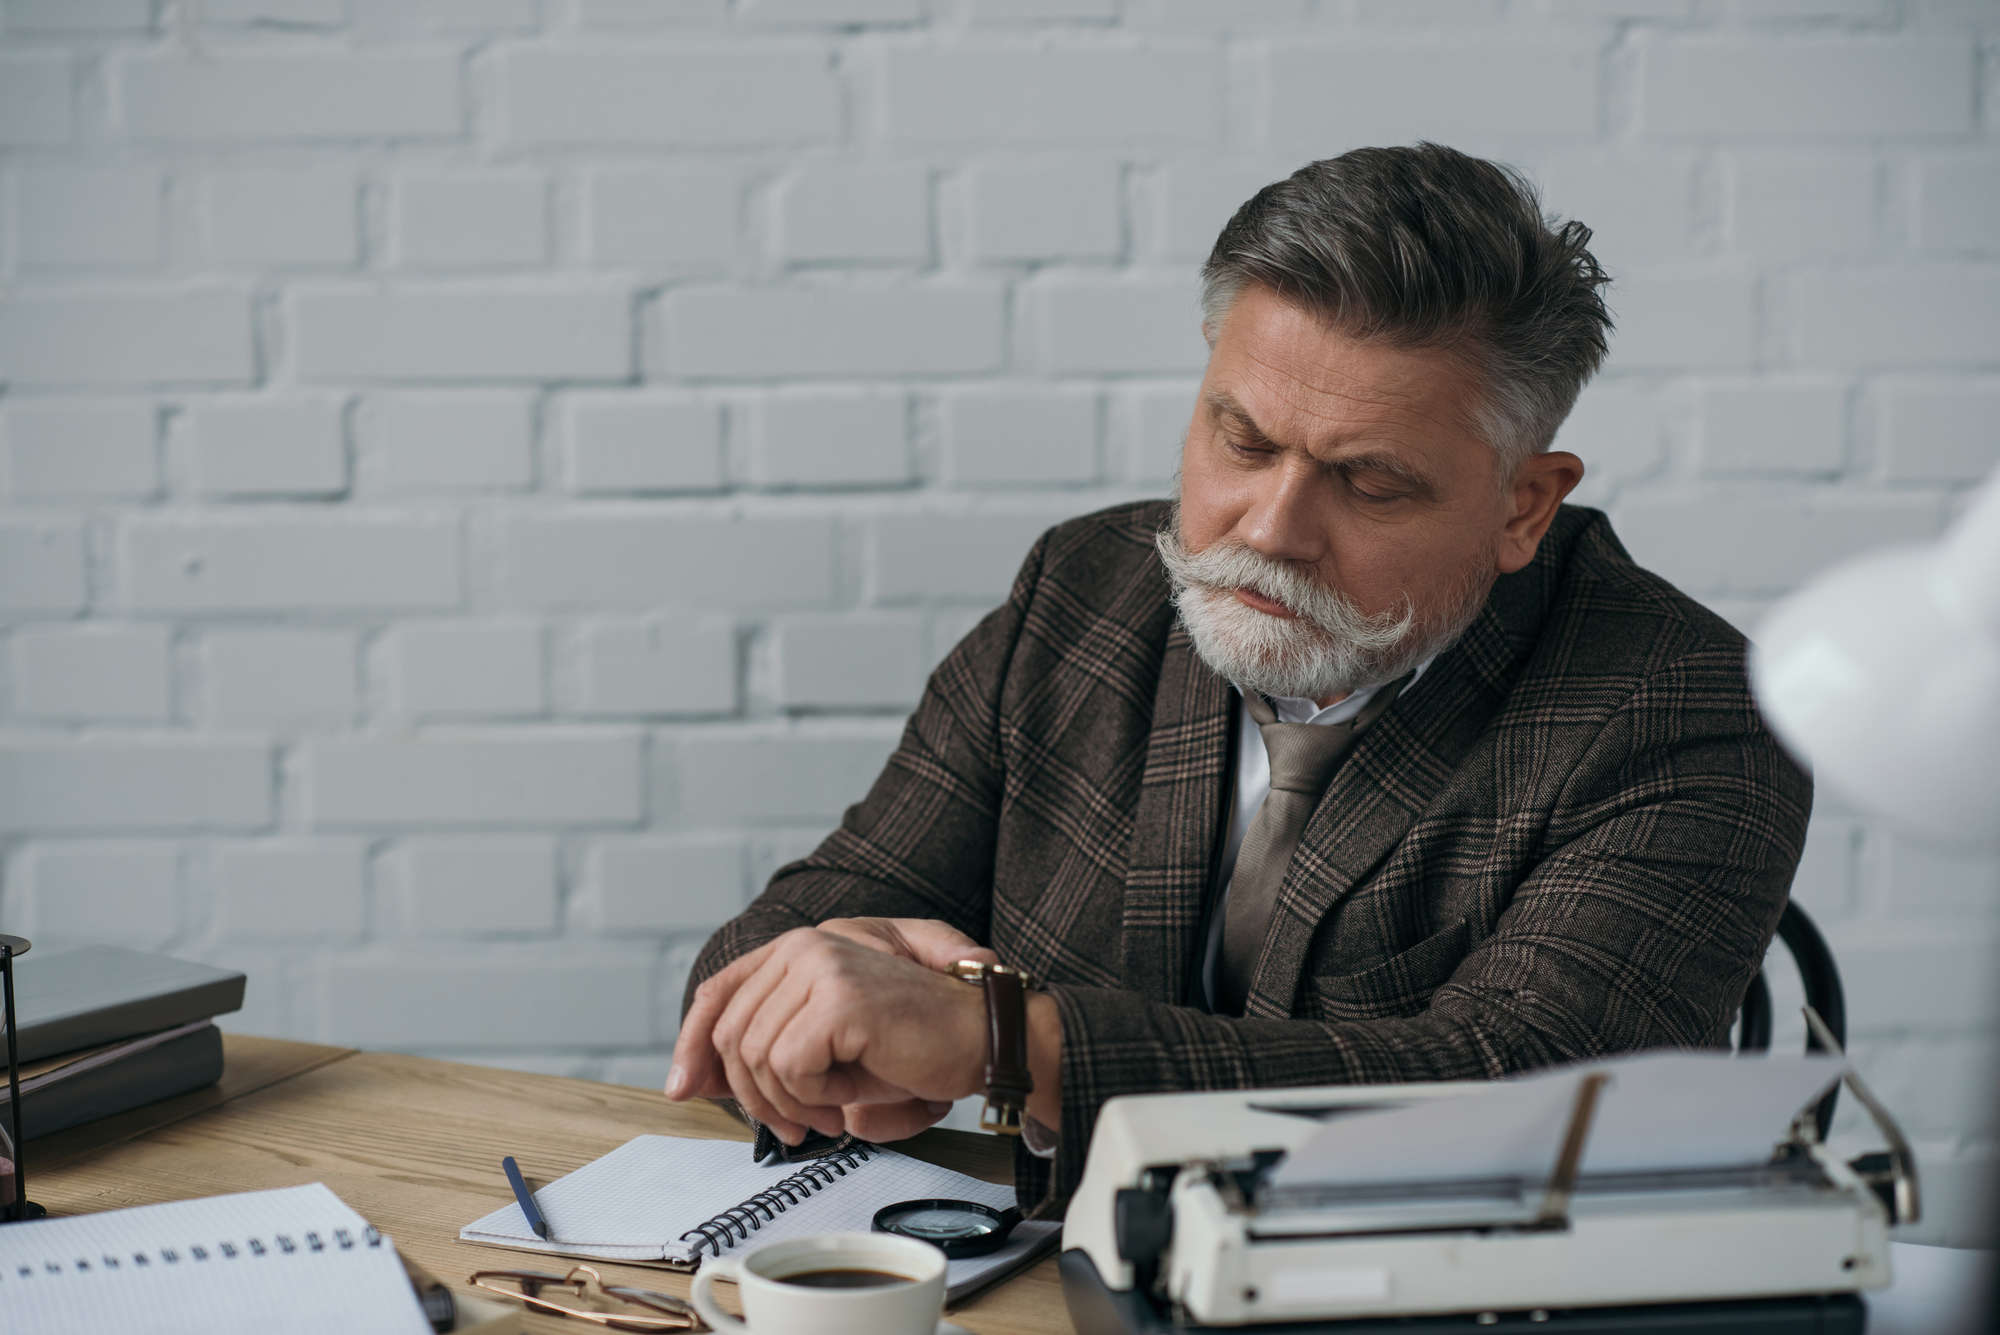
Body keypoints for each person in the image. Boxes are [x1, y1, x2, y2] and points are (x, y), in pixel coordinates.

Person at [664, 142, 1812, 1215]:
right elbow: (774, 948)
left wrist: (1000, 1040)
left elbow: (1527, 1094)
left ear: (1522, 503)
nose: (1268, 530)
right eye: (1242, 441)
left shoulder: (1688, 711)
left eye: (1366, 483)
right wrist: (830, 985)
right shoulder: (1085, 592)